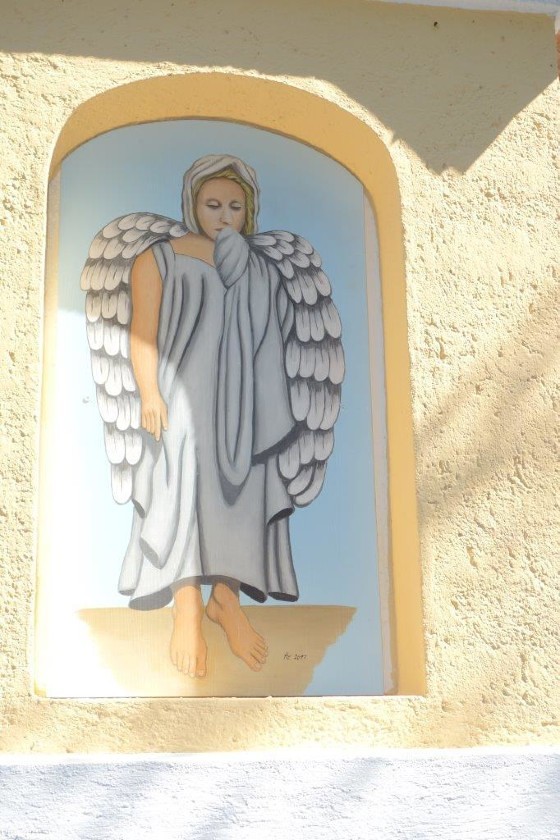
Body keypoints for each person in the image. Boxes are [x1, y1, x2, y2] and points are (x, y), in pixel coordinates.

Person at [83, 154, 343, 681]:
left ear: (249, 211)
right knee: (181, 495)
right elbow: (142, 334)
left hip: (244, 403)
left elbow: (270, 338)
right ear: (192, 204)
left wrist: (243, 269)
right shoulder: (157, 258)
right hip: (179, 399)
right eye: (213, 204)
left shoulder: (260, 267)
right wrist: (149, 394)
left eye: (235, 207)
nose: (224, 216)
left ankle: (226, 600)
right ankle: (186, 610)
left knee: (242, 495)